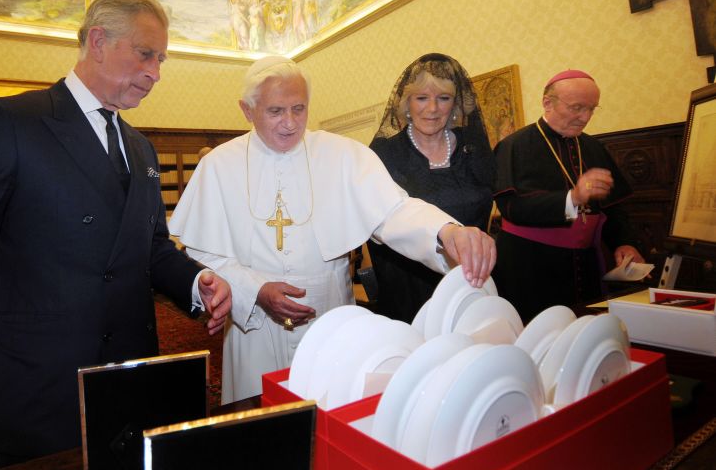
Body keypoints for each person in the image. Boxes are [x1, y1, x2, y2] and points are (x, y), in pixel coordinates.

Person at [0, 0, 232, 467]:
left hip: (128, 379)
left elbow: (151, 245)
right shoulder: (13, 121)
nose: (156, 73)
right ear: (97, 40)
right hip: (41, 385)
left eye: (161, 60)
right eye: (145, 54)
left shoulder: (141, 148)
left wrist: (195, 281)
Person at [168, 56, 496, 404]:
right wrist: (255, 290)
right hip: (255, 332)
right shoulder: (218, 166)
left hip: (330, 321)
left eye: (299, 108)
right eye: (276, 111)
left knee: (335, 423)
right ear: (247, 110)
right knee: (264, 431)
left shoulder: (342, 155)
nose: (290, 123)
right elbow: (204, 252)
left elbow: (393, 210)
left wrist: (445, 231)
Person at [492, 69, 645, 322]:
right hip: (530, 267)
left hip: (586, 264)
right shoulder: (514, 146)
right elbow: (511, 207)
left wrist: (624, 242)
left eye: (592, 109)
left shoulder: (593, 147)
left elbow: (614, 207)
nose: (585, 117)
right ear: (547, 103)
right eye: (576, 108)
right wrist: (572, 198)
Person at [369, 53, 496, 323]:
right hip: (410, 292)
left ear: (456, 104)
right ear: (406, 103)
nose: (433, 109)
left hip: (470, 285)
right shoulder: (385, 154)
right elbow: (380, 223)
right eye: (422, 98)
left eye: (443, 98)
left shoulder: (473, 149)